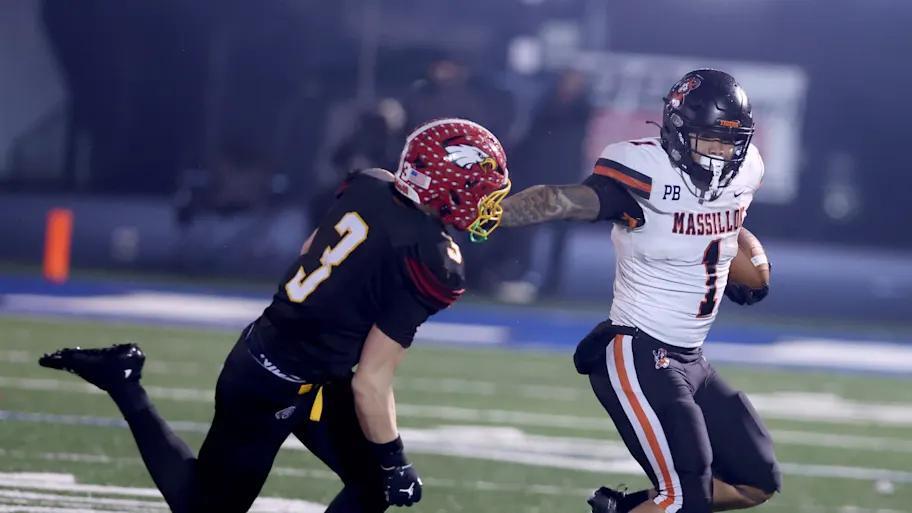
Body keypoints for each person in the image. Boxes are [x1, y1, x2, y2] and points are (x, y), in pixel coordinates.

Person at [38, 118, 511, 513]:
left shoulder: (371, 184)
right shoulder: (431, 261)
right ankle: (124, 383)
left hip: (300, 361)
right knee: (205, 507)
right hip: (270, 380)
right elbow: (371, 381)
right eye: (480, 188)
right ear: (448, 183)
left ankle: (123, 379)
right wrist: (395, 458)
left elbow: (310, 250)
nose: (487, 202)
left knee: (373, 484)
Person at [499, 69, 780, 513]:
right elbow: (561, 199)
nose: (720, 153)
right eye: (709, 139)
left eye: (730, 142)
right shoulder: (645, 172)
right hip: (639, 351)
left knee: (753, 482)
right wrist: (491, 213)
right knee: (685, 498)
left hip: (691, 359)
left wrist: (740, 254)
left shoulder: (745, 170)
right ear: (678, 130)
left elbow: (730, 216)